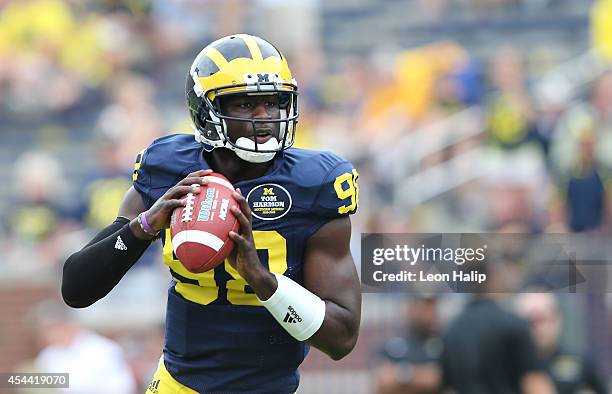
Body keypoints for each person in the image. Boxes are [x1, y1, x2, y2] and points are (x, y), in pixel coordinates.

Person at [61, 33, 362, 393]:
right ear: (205, 111)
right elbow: (76, 289)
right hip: (180, 384)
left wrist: (261, 280)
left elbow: (342, 339)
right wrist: (143, 226)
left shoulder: (315, 184)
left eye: (273, 102)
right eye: (247, 105)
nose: (265, 118)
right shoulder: (167, 168)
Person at [31, 300, 137, 394]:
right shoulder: (48, 356)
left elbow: (122, 387)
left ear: (63, 325)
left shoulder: (103, 349)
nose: (44, 336)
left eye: (48, 329)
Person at [516, 292, 608, 394]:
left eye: (541, 319)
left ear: (556, 319)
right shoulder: (509, 365)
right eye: (529, 321)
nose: (536, 328)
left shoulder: (578, 362)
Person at [373, 295, 442, 394]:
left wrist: (398, 376)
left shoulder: (442, 345)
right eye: (423, 307)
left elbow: (434, 379)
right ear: (411, 308)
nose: (429, 313)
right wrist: (415, 375)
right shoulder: (391, 345)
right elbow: (383, 381)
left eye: (432, 307)